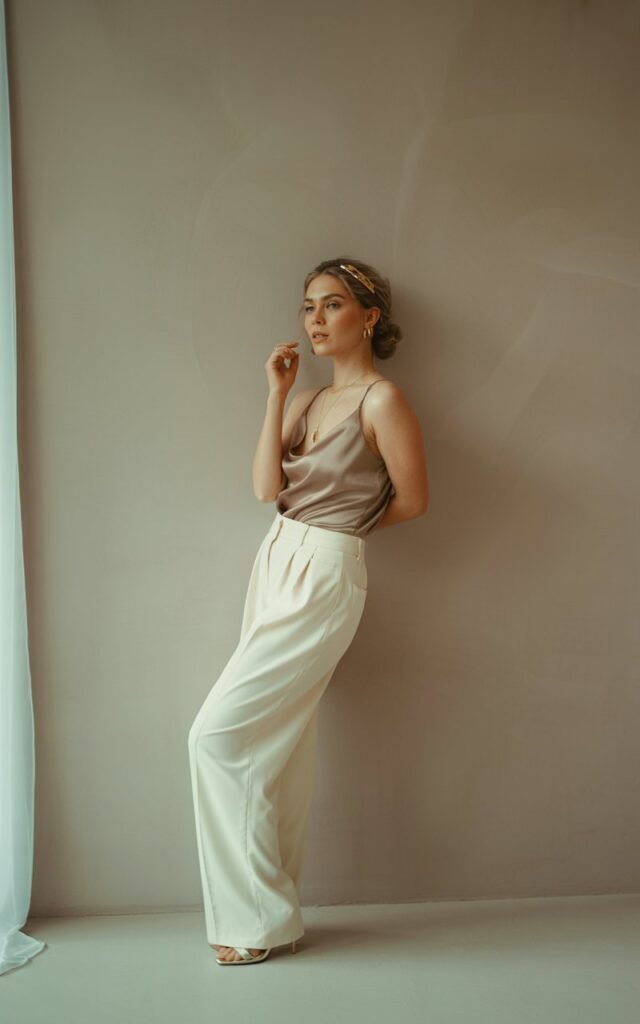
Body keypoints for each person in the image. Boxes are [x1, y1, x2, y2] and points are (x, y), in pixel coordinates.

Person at [187, 257, 429, 965]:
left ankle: (251, 922)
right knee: (280, 748)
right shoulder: (304, 403)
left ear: (369, 317)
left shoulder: (382, 401)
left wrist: (338, 535)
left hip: (325, 566)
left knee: (214, 737)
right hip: (274, 558)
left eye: (331, 306)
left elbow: (413, 501)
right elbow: (267, 488)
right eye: (307, 308)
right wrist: (276, 394)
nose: (315, 320)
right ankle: (272, 918)